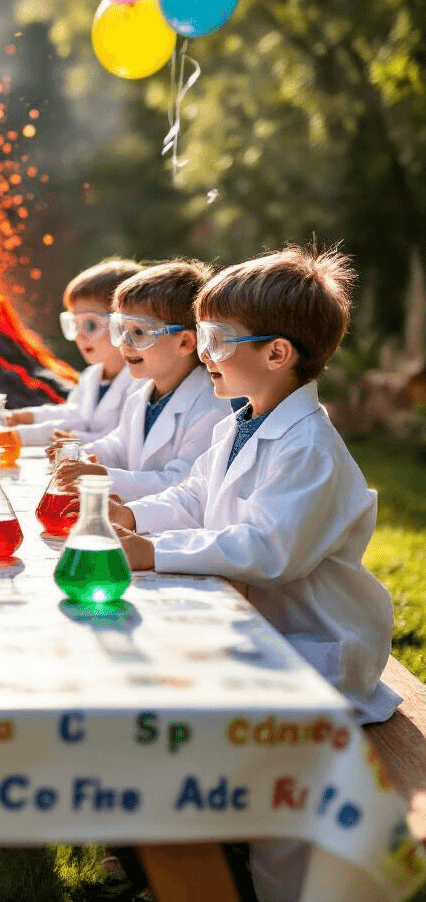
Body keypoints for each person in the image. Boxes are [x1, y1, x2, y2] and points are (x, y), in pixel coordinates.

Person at [108, 245, 400, 902]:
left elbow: (268, 550)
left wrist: (151, 553)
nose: (203, 353)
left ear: (277, 354)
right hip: (259, 631)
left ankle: (235, 877)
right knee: (135, 681)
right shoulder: (239, 424)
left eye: (214, 339)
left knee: (200, 731)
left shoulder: (310, 447)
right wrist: (126, 511)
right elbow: (192, 500)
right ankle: (166, 858)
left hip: (315, 651)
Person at [55, 260, 232, 502]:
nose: (124, 344)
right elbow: (120, 444)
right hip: (133, 519)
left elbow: (181, 483)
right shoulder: (142, 391)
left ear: (185, 343)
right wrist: (82, 455)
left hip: (167, 532)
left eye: (139, 332)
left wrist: (103, 476)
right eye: (120, 329)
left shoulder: (209, 408)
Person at [6, 257, 145, 447]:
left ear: (124, 324)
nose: (80, 336)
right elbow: (74, 413)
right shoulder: (92, 376)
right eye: (74, 324)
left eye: (90, 324)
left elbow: (119, 441)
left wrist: (18, 437)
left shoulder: (141, 381)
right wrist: (25, 417)